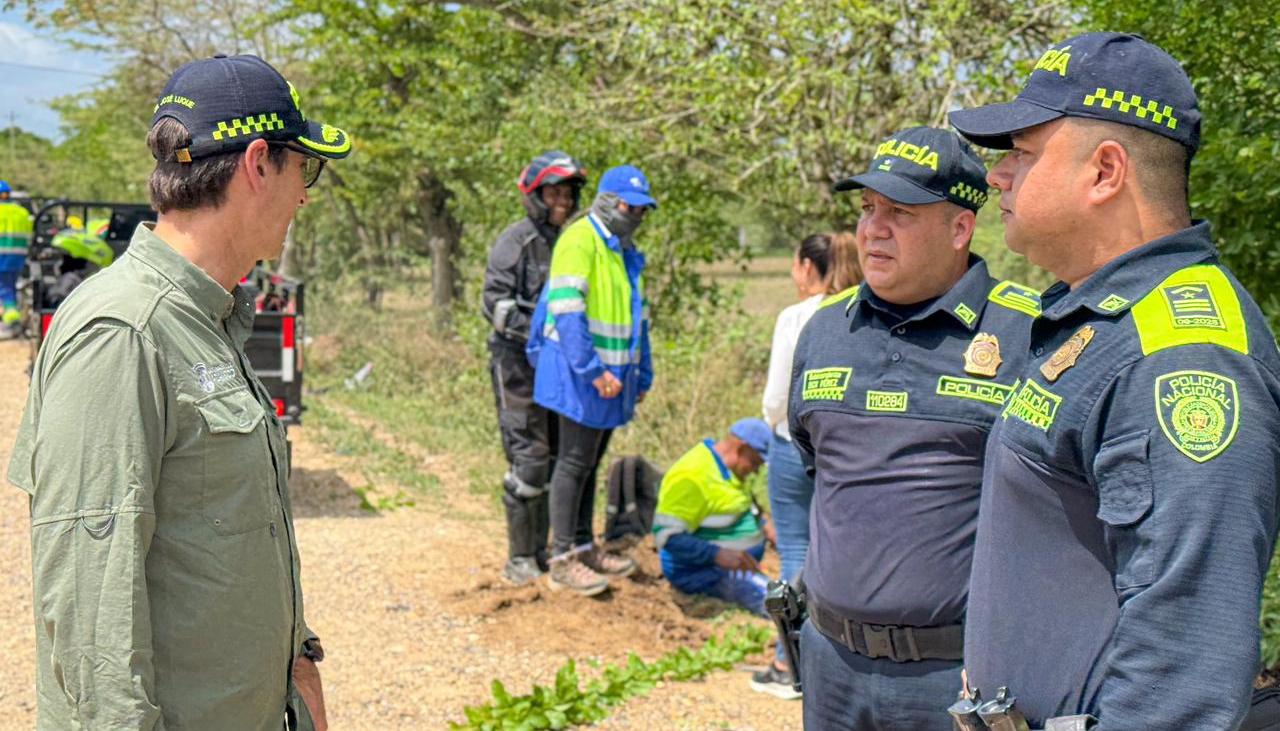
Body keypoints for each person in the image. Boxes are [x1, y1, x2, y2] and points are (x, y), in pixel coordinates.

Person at [8, 54, 351, 730]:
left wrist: (297, 669)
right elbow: (91, 618)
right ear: (258, 163)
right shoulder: (123, 332)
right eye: (301, 168)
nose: (305, 195)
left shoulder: (208, 317)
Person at [949, 32, 1280, 729]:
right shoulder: (1103, 317)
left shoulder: (1184, 352)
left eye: (1022, 153)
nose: (997, 177)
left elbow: (1183, 658)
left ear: (1105, 172)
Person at [788, 126, 1039, 730]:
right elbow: (815, 467)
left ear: (959, 228)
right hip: (830, 664)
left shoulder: (1027, 333)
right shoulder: (824, 329)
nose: (873, 227)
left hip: (956, 677)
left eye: (899, 211)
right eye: (868, 208)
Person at [528, 164, 655, 596]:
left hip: (612, 378)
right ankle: (562, 556)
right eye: (627, 205)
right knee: (573, 462)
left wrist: (641, 374)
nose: (634, 214)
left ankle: (584, 545)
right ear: (605, 201)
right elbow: (567, 310)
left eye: (641, 209)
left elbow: (637, 320)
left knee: (590, 464)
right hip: (578, 373)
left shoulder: (622, 250)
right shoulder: (580, 239)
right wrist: (593, 371)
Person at [753, 231, 861, 699]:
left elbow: (778, 397)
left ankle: (787, 659)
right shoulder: (862, 310)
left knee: (795, 546)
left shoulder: (796, 316)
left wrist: (773, 423)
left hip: (792, 443)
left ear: (805, 266)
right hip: (846, 447)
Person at [483, 150, 588, 585]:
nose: (562, 201)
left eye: (568, 193)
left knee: (558, 457)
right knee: (529, 456)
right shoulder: (516, 241)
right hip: (516, 366)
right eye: (554, 192)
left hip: (557, 369)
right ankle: (519, 558)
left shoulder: (574, 241)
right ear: (535, 194)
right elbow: (494, 303)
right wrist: (544, 331)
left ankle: (546, 550)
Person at [651, 418, 773, 614]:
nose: (756, 470)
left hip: (733, 567)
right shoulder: (691, 477)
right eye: (756, 462)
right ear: (741, 449)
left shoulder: (727, 469)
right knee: (778, 605)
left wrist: (765, 526)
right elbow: (666, 536)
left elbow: (740, 505)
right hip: (701, 572)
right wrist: (717, 554)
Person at [0, 179, 32, 338]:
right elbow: (29, 236)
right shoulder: (22, 212)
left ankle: (12, 323)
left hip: (1, 258)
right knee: (10, 287)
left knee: (5, 291)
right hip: (17, 258)